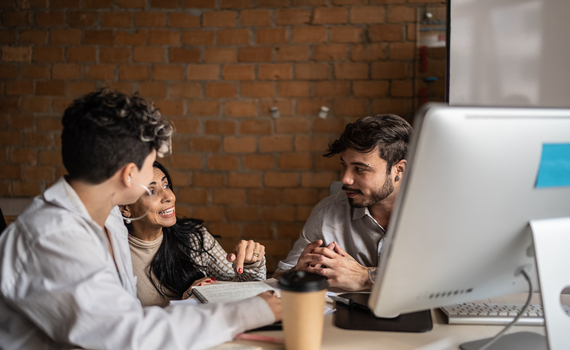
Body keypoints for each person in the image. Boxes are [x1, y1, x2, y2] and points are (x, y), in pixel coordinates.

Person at [0, 88, 280, 350]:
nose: (159, 182)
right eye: (150, 167)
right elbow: (126, 336)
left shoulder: (108, 217)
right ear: (129, 174)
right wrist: (250, 312)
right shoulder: (53, 238)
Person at [273, 114, 412, 291]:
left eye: (360, 169)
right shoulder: (327, 211)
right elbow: (280, 274)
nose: (345, 179)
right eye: (344, 165)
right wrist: (297, 272)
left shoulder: (438, 213)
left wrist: (364, 277)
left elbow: (451, 278)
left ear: (398, 170)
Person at [121, 161, 267, 307]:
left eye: (166, 186)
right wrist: (188, 305)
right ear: (125, 208)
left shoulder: (195, 238)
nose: (169, 196)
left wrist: (250, 265)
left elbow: (242, 287)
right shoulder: (112, 253)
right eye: (151, 191)